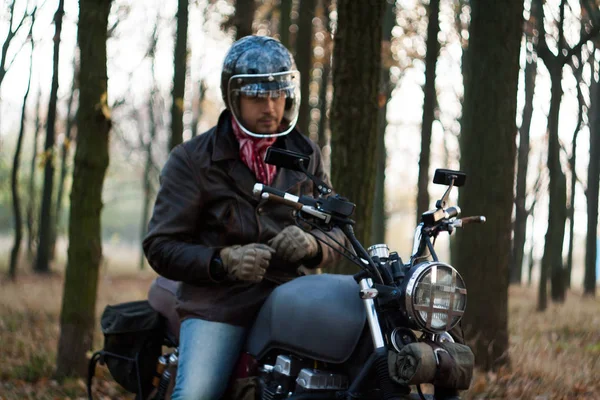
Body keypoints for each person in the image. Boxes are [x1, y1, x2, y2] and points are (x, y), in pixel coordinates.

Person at [143, 35, 347, 400]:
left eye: (277, 94)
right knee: (196, 394)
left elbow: (338, 231)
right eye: (257, 97)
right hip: (218, 303)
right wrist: (223, 261)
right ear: (233, 99)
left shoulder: (306, 153)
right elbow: (159, 246)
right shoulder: (192, 159)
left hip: (292, 296)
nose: (270, 106)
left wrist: (313, 245)